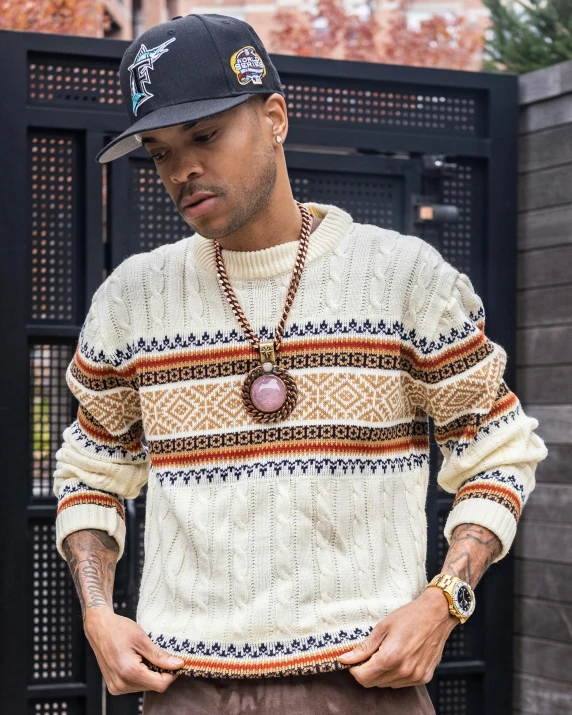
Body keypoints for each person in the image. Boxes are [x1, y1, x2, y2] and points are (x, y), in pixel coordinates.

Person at [53, 13, 548, 715]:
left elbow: (500, 452)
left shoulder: (403, 277)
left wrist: (446, 599)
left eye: (204, 135)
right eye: (160, 151)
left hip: (365, 684)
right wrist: (98, 614)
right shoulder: (133, 299)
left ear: (275, 116)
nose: (182, 167)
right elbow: (91, 472)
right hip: (182, 687)